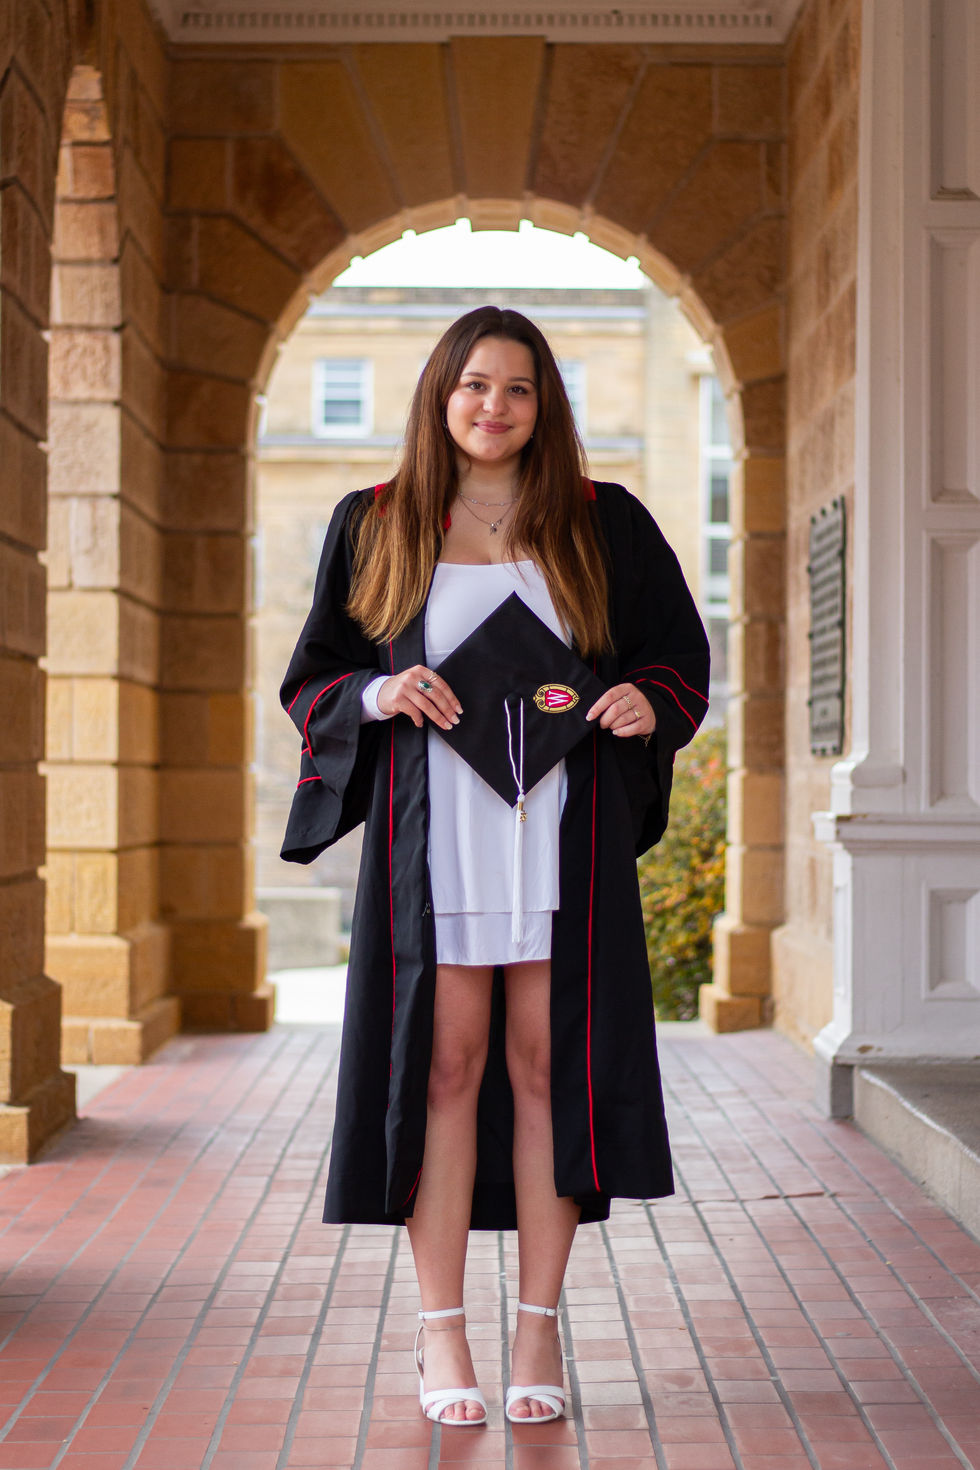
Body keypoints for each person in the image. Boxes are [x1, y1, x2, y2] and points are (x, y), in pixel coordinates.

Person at [280, 306, 710, 1427]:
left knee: (543, 1068)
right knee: (444, 1067)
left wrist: (643, 701)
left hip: (560, 830)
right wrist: (380, 691)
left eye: (518, 388)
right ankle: (441, 1336)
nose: (494, 406)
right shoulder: (376, 522)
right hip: (440, 838)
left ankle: (537, 1330)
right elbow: (314, 677)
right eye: (474, 384)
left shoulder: (602, 524)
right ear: (441, 394)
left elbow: (676, 656)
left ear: (544, 404)